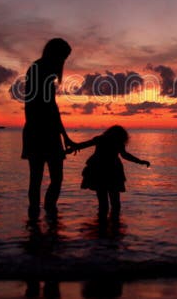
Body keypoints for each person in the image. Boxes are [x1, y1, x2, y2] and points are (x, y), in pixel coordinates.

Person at [21, 38, 75, 219]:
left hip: (42, 131)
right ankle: (45, 216)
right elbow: (47, 107)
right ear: (55, 54)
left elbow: (52, 108)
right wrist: (63, 136)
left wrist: (65, 137)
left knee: (39, 179)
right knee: (47, 179)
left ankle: (40, 219)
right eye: (63, 57)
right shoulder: (40, 70)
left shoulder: (40, 70)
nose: (63, 61)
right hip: (41, 132)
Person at [66, 125, 150, 221]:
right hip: (112, 171)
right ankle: (115, 226)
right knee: (115, 202)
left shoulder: (101, 139)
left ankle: (102, 227)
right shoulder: (117, 142)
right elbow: (125, 155)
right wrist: (140, 161)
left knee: (103, 202)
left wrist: (70, 149)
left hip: (98, 170)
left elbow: (83, 145)